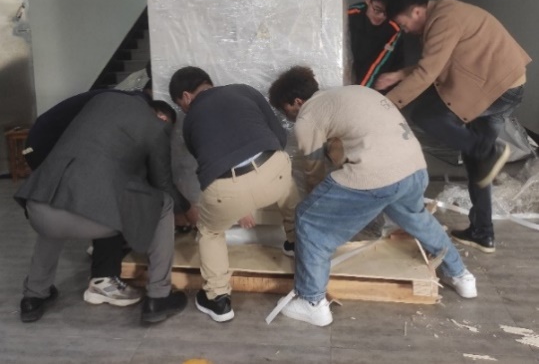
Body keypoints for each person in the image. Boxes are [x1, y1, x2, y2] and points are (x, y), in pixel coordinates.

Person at [268, 66, 477, 327]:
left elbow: (313, 173)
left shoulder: (307, 117)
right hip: (413, 168)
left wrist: (319, 209)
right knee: (416, 218)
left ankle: (311, 302)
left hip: (376, 177)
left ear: (297, 102)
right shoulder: (356, 92)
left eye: (286, 110)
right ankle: (461, 276)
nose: (288, 117)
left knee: (309, 221)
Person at [15, 92, 196, 324]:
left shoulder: (101, 104)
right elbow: (162, 184)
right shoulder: (155, 126)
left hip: (37, 208)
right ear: (162, 118)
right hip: (92, 219)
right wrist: (188, 210)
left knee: (55, 201)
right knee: (164, 203)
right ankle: (159, 297)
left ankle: (33, 296)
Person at [375, 0, 531, 254]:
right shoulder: (442, 16)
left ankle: (487, 151)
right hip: (499, 84)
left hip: (498, 88)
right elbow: (438, 61)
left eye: (404, 24)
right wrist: (400, 75)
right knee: (478, 163)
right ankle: (483, 233)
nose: (405, 30)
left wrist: (383, 107)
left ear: (416, 11)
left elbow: (428, 73)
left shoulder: (445, 19)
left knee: (426, 114)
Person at [169, 66, 299, 323]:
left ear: (186, 96)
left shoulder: (190, 121)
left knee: (210, 232)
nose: (183, 110)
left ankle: (218, 299)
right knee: (287, 185)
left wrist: (241, 204)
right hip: (273, 170)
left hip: (226, 189)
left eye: (180, 105)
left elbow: (210, 163)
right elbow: (279, 137)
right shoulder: (244, 91)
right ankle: (295, 242)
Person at [348, 0, 404, 88]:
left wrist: (360, 91)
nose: (381, 16)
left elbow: (378, 65)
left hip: (378, 82)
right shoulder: (350, 15)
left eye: (387, 13)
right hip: (351, 77)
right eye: (377, 10)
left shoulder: (393, 29)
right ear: (368, 0)